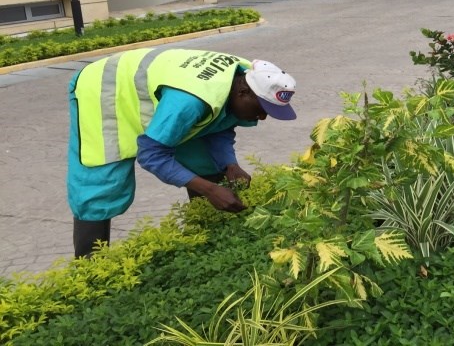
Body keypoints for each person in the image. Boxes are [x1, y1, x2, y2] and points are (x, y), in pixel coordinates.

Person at [67, 49, 297, 257]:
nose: (263, 117)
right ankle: (89, 269)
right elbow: (151, 155)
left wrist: (230, 164)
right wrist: (209, 190)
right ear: (243, 92)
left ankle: (204, 243)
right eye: (262, 109)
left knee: (205, 162)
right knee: (102, 184)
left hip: (170, 96)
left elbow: (220, 124)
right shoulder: (190, 102)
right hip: (105, 91)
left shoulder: (246, 75)